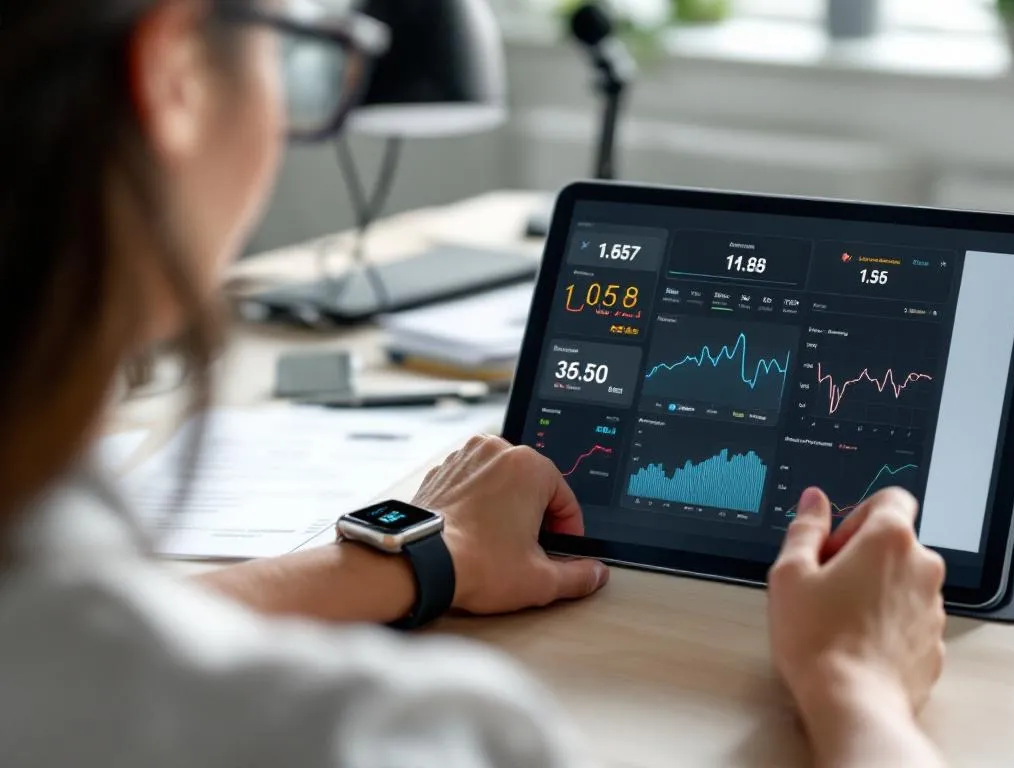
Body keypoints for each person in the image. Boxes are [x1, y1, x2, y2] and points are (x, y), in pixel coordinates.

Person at [0, 1, 949, 766]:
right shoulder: (387, 737)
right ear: (177, 76)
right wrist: (855, 686)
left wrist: (416, 551)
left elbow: (57, 646)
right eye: (295, 49)